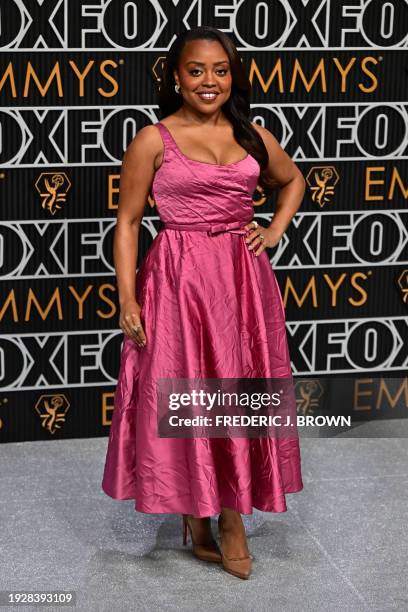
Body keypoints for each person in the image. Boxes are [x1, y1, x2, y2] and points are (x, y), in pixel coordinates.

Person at [102, 25, 306, 580]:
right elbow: (127, 222)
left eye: (220, 70)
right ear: (177, 77)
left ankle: (232, 516)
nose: (209, 80)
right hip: (177, 280)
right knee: (187, 390)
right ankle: (197, 514)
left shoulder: (252, 135)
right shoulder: (152, 139)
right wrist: (127, 298)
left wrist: (274, 229)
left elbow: (292, 182)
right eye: (196, 70)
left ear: (232, 76)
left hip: (242, 281)